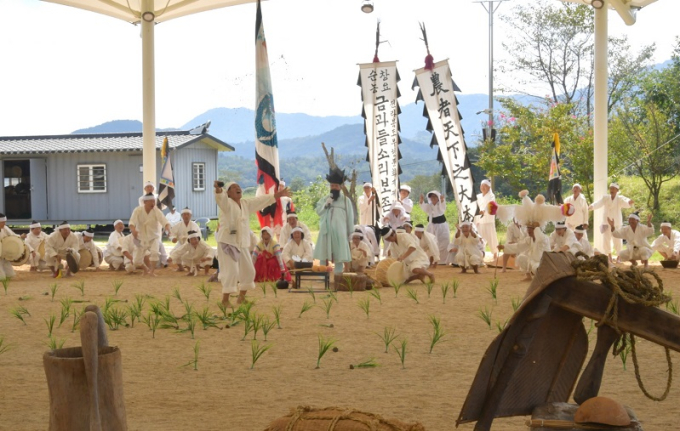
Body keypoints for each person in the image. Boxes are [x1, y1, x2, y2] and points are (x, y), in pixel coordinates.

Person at [214, 181, 291, 307]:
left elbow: (261, 200)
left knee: (249, 271)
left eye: (238, 186)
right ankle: (225, 300)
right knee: (231, 271)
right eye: (233, 187)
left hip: (242, 243)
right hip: (228, 242)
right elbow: (220, 198)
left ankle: (241, 298)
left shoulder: (245, 204)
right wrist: (218, 190)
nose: (237, 188)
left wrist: (279, 194)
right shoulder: (226, 203)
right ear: (228, 193)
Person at [313, 167, 355, 286]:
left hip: (340, 231)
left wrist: (349, 232)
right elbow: (319, 212)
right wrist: (326, 204)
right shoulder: (325, 199)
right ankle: (322, 276)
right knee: (323, 253)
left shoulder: (346, 201)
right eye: (332, 186)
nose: (334, 188)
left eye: (336, 186)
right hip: (326, 231)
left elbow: (350, 217)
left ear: (340, 187)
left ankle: (337, 276)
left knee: (339, 255)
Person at [129, 193, 171, 276]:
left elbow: (164, 221)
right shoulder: (138, 210)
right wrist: (133, 230)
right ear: (145, 202)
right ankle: (145, 269)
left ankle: (152, 271)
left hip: (153, 237)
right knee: (136, 261)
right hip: (140, 237)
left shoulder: (156, 211)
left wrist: (168, 229)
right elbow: (132, 222)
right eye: (151, 201)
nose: (153, 203)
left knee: (155, 252)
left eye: (153, 201)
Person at [589, 183, 633, 262]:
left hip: (616, 223)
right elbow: (598, 203)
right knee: (606, 240)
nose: (612, 190)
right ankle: (609, 255)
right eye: (610, 188)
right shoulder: (605, 198)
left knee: (617, 240)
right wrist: (592, 206)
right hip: (606, 222)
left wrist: (629, 202)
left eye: (613, 189)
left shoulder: (619, 198)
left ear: (617, 190)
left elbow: (626, 201)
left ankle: (619, 256)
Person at [137, 181, 168, 267]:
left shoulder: (158, 197)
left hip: (156, 220)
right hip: (146, 223)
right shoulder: (141, 198)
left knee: (157, 240)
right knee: (146, 244)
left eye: (151, 187)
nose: (149, 188)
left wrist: (161, 201)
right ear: (145, 189)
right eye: (148, 187)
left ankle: (163, 260)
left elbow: (163, 206)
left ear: (154, 189)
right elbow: (144, 208)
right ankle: (149, 262)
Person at [419, 190, 449, 264]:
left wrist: (442, 201)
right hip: (432, 225)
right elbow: (424, 208)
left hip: (441, 226)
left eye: (435, 196)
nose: (433, 198)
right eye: (432, 197)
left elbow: (443, 208)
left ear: (438, 197)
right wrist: (421, 202)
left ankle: (443, 260)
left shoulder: (440, 204)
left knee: (443, 241)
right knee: (430, 242)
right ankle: (431, 259)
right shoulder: (429, 205)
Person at [475, 179, 498, 259]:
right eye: (482, 186)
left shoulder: (491, 196)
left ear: (489, 187)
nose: (483, 187)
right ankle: (480, 253)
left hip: (488, 220)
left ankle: (495, 253)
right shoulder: (478, 196)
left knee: (492, 237)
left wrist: (484, 211)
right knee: (479, 238)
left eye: (485, 186)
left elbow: (491, 204)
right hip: (480, 220)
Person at [0, 213, 21, 280]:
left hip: (4, 253)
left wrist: (20, 237)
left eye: (4, 222)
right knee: (2, 278)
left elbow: (13, 236)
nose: (4, 224)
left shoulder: (5, 228)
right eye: (3, 222)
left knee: (11, 275)